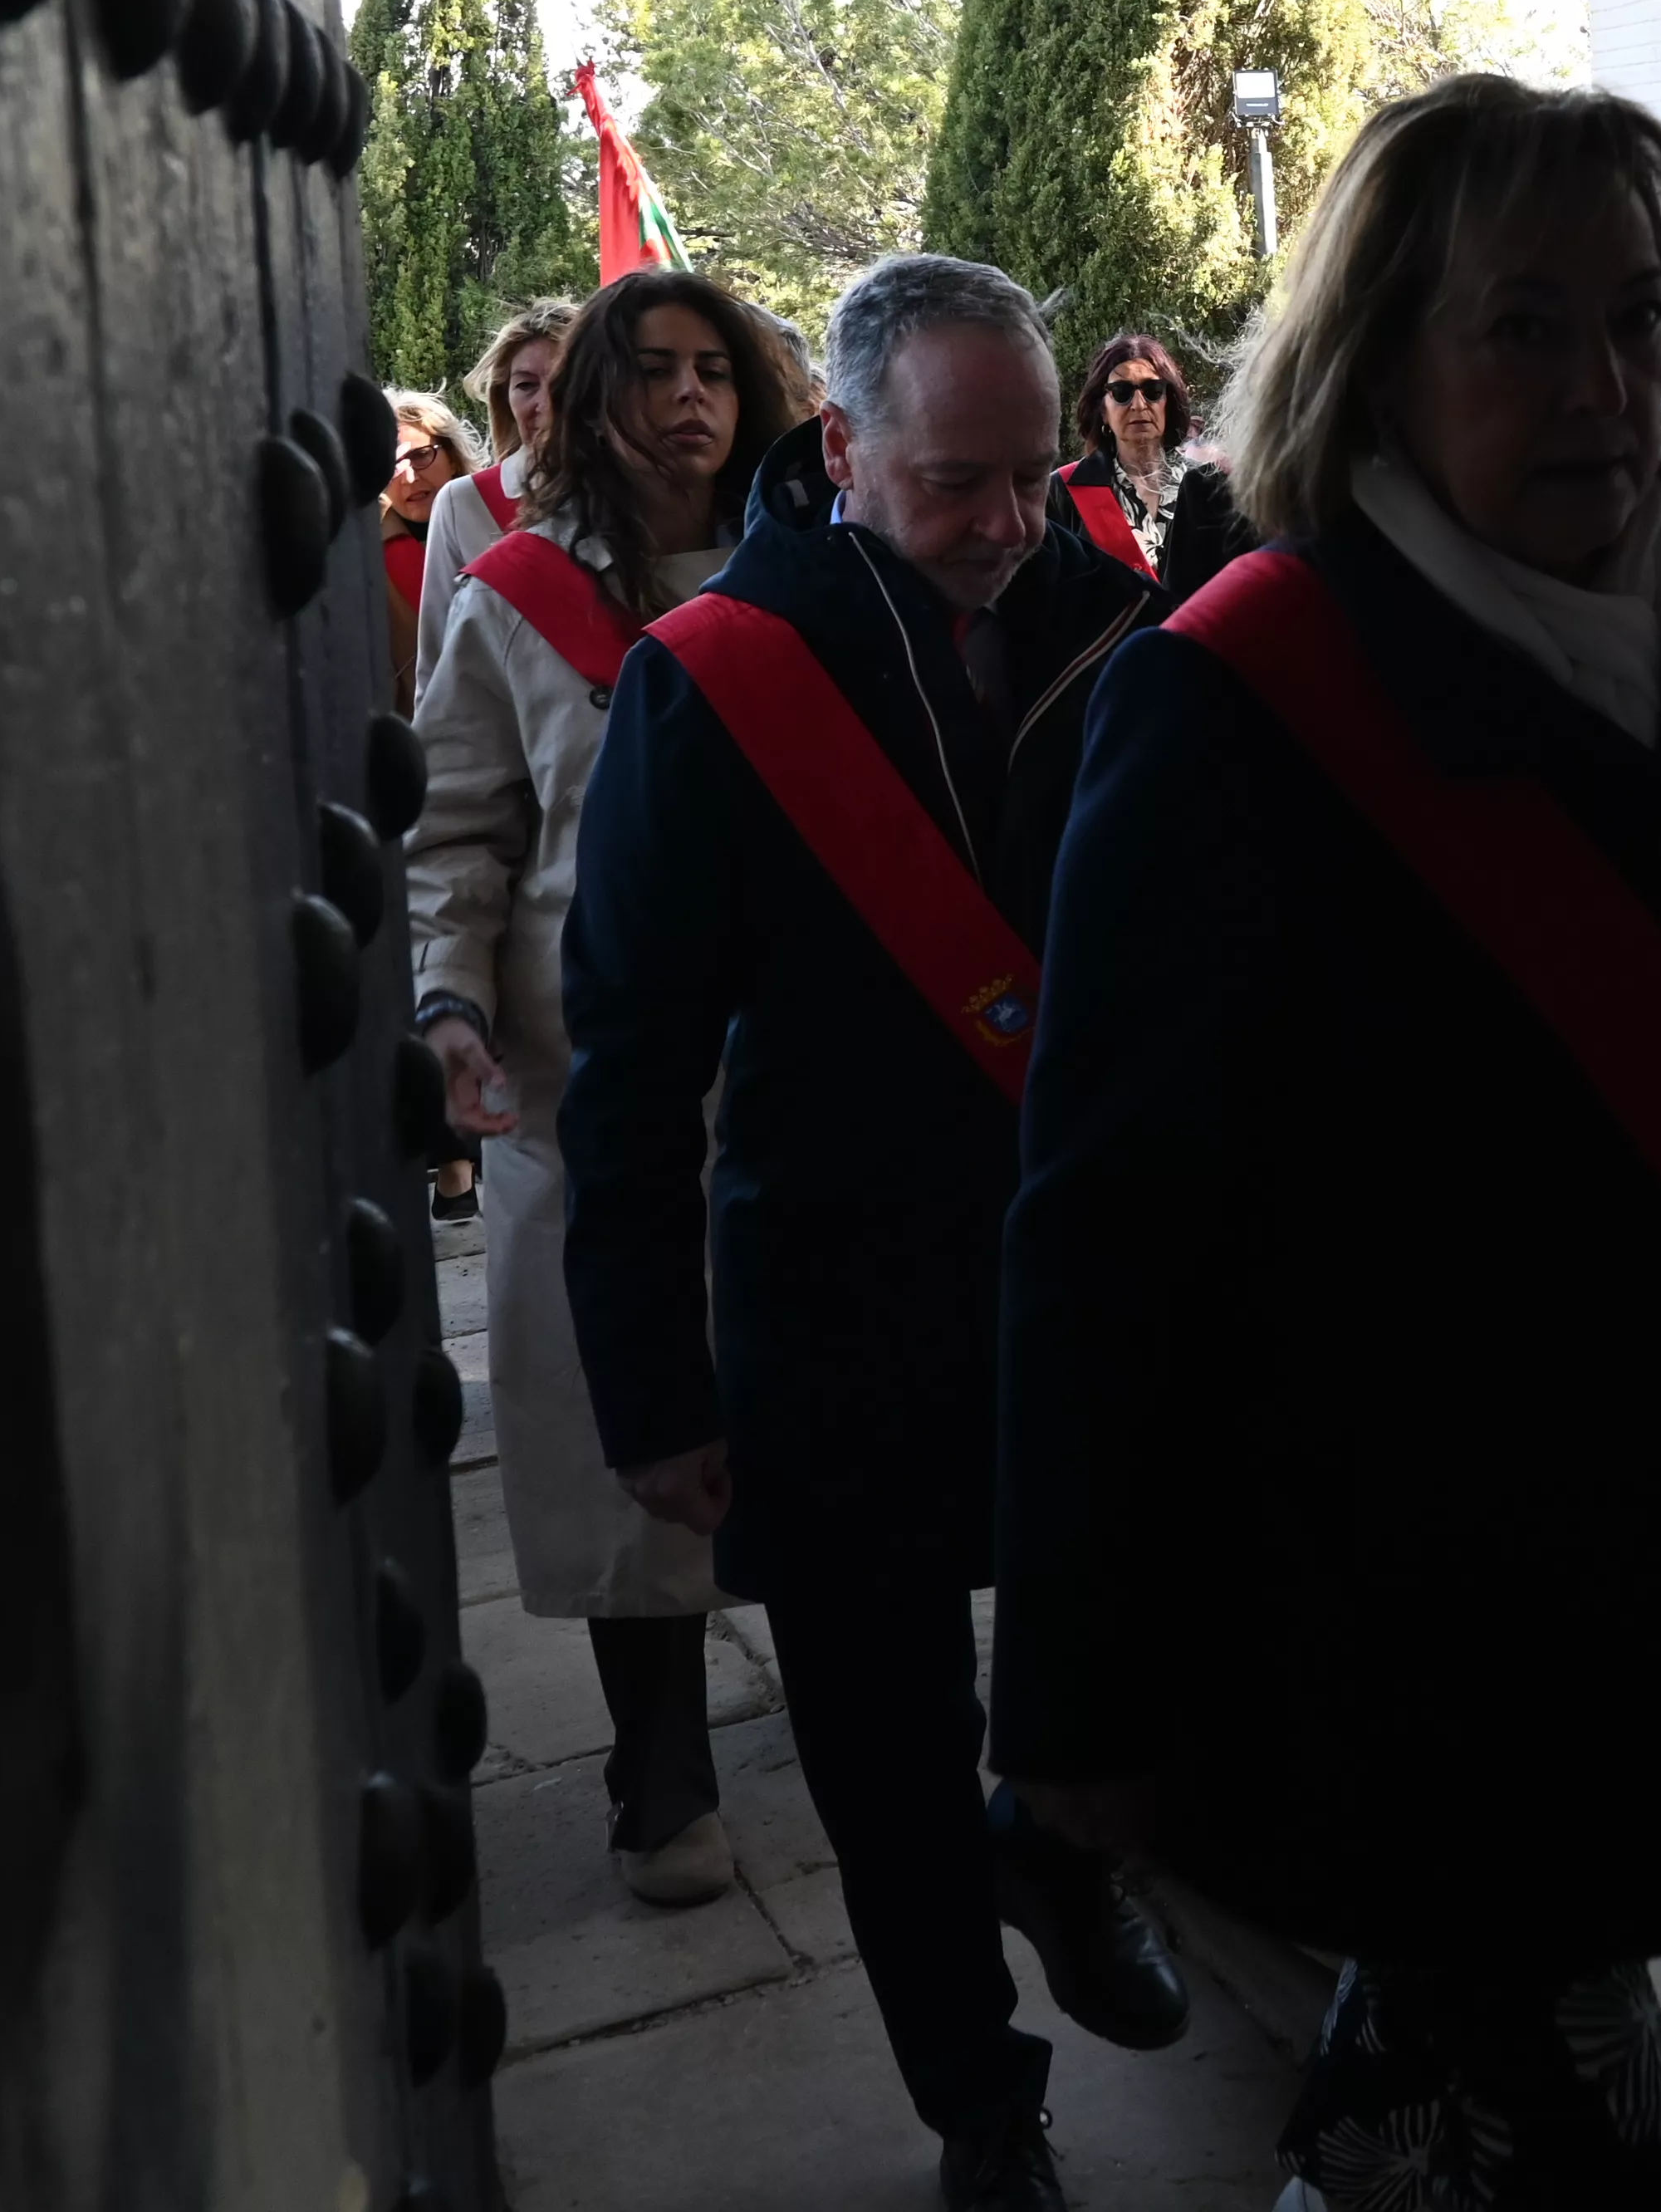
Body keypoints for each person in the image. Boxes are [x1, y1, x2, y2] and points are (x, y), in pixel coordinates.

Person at [992, 74, 1661, 2212]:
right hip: (1385, 1573)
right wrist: (1075, 1706)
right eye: (1523, 325)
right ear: (1379, 357)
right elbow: (1104, 1240)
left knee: (1493, 2034)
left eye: (1640, 315)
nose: (1604, 384)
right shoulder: (1236, 698)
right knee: (1524, 2058)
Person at [561, 253, 1186, 2212]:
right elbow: (629, 1064)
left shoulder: (1132, 631)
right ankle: (979, 2102)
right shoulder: (719, 677)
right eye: (955, 482)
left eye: (1036, 474)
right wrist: (653, 1386)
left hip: (1096, 1282)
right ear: (840, 449)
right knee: (881, 1737)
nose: (1009, 524)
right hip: (837, 1297)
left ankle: (1058, 1844)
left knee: (1148, 1637)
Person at [408, 277, 788, 1905]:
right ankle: (662, 1755)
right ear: (589, 399)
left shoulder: (811, 568)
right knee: (616, 1413)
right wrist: (446, 1003)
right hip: (588, 1086)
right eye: (652, 371)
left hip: (791, 1071)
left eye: (714, 370)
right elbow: (456, 830)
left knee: (813, 1395)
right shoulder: (510, 594)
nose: (689, 398)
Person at [417, 294, 580, 693]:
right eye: (526, 385)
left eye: (565, 382)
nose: (546, 404)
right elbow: (436, 667)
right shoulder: (464, 503)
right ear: (505, 400)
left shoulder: (644, 493)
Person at [1052, 329, 1256, 595]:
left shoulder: (1209, 486)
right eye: (1121, 392)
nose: (1139, 404)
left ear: (1168, 402)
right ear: (1102, 410)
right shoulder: (1063, 491)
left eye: (1153, 390)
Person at [376, 391, 482, 719]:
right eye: (392, 465)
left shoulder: (496, 523)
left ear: (452, 457)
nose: (409, 477)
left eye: (421, 455)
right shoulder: (366, 557)